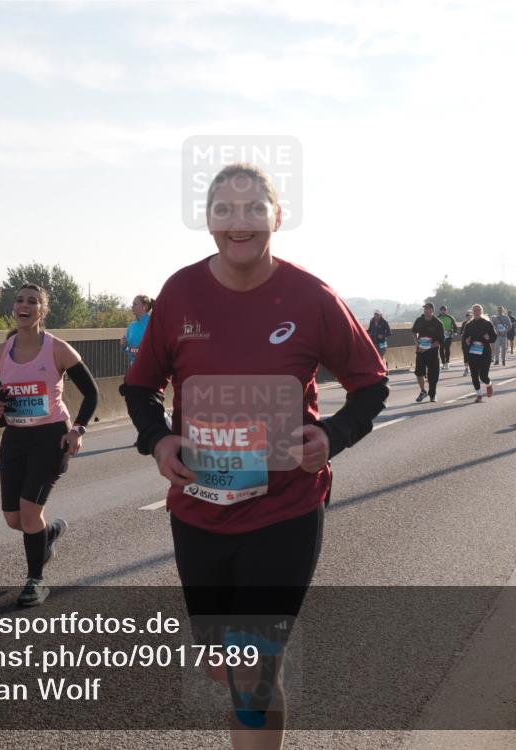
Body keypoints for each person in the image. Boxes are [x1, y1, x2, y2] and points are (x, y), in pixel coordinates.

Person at [121, 163, 389, 746]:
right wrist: (159, 440)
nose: (238, 222)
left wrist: (333, 436)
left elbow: (371, 385)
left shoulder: (312, 297)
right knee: (221, 663)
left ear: (277, 217)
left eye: (253, 209)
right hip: (198, 512)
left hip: (284, 513)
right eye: (224, 209)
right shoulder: (180, 293)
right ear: (208, 220)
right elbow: (140, 388)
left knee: (253, 669)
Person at [0, 283, 99, 606]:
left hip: (50, 437)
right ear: (13, 308)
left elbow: (92, 393)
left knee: (30, 513)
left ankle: (35, 581)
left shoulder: (57, 349)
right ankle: (48, 534)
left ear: (42, 311)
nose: (25, 305)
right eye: (20, 301)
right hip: (15, 439)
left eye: (32, 301)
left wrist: (78, 430)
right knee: (14, 519)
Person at [463, 304, 497, 402]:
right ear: (472, 312)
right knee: (474, 375)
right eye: (475, 310)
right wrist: (467, 341)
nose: (477, 312)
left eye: (478, 310)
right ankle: (479, 394)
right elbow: (464, 339)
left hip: (485, 353)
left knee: (483, 376)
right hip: (472, 353)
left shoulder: (487, 324)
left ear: (481, 311)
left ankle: (489, 384)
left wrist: (488, 338)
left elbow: (494, 337)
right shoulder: (468, 325)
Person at [413, 302, 445, 403]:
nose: (426, 310)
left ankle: (432, 394)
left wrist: (428, 347)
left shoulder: (438, 323)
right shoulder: (419, 320)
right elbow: (413, 332)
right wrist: (417, 343)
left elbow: (441, 340)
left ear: (432, 310)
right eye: (425, 308)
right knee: (419, 372)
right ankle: (423, 391)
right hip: (420, 351)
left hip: (432, 352)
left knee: (433, 375)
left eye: (428, 308)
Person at [122, 294, 154, 367]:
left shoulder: (153, 324)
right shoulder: (131, 326)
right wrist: (124, 346)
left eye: (135, 304)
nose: (132, 306)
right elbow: (128, 349)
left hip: (150, 367)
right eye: (132, 304)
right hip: (134, 367)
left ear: (144, 307)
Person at [459, 310, 473, 376]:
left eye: (469, 315)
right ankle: (466, 369)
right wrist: (463, 335)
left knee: (472, 356)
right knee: (465, 355)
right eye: (466, 315)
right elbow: (461, 332)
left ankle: (473, 368)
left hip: (472, 342)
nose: (467, 316)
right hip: (464, 342)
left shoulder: (474, 323)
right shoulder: (464, 323)